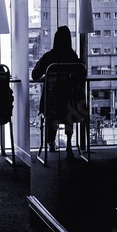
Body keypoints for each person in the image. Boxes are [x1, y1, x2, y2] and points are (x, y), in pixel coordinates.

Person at [31, 25, 81, 158]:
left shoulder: (48, 57)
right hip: (69, 103)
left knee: (51, 114)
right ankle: (69, 144)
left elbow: (35, 75)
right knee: (67, 108)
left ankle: (50, 142)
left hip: (51, 103)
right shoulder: (73, 56)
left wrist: (47, 76)